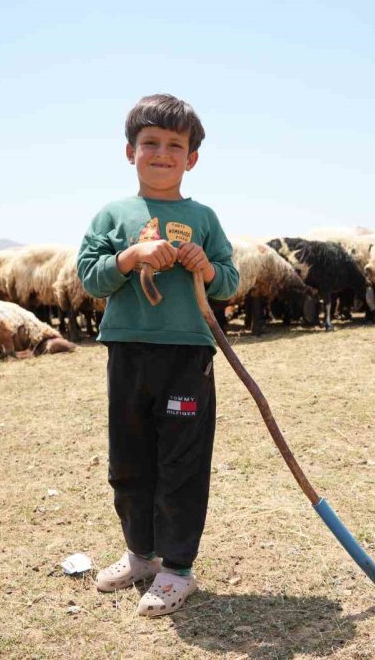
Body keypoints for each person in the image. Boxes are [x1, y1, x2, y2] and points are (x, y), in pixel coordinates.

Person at [76, 94, 239, 616]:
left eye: (175, 146)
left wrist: (205, 268)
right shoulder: (113, 214)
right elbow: (89, 274)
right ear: (130, 152)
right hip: (127, 352)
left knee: (181, 462)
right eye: (150, 143)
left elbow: (230, 282)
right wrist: (131, 256)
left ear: (191, 159)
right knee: (129, 458)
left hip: (186, 357)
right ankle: (140, 555)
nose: (162, 153)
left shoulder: (204, 218)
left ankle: (178, 569)